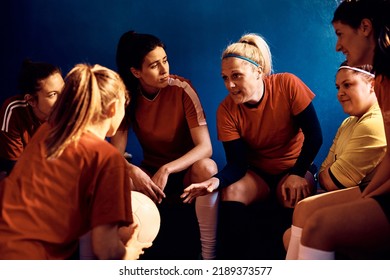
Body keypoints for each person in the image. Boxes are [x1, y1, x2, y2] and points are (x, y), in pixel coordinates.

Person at [182, 33, 323, 259]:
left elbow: (315, 136)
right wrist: (214, 181)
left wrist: (298, 173)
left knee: (292, 194)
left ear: (259, 72)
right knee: (232, 191)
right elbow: (237, 164)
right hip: (257, 174)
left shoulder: (287, 84)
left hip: (294, 167)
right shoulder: (226, 110)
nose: (230, 85)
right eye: (225, 78)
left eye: (236, 76)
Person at [0, 63, 150, 260]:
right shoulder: (108, 158)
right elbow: (105, 250)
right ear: (114, 108)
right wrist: (128, 253)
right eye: (125, 103)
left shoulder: (47, 132)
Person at [285, 0, 390, 260]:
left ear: (365, 27)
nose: (337, 46)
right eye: (337, 87)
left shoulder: (374, 111)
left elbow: (331, 179)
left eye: (340, 34)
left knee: (320, 225)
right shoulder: (384, 80)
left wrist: (367, 197)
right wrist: (367, 194)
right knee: (304, 212)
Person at [112, 31, 219, 259]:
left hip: (184, 174)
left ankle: (208, 257)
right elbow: (113, 155)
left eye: (165, 61)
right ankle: (129, 254)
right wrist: (133, 170)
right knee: (118, 175)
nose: (164, 70)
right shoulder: (126, 98)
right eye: (154, 66)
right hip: (151, 178)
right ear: (136, 72)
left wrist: (168, 168)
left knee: (208, 168)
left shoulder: (182, 89)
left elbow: (205, 147)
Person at [0, 60, 64, 178]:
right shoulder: (14, 110)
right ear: (31, 100)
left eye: (64, 90)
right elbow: (13, 168)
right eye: (53, 94)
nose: (63, 99)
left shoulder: (69, 111)